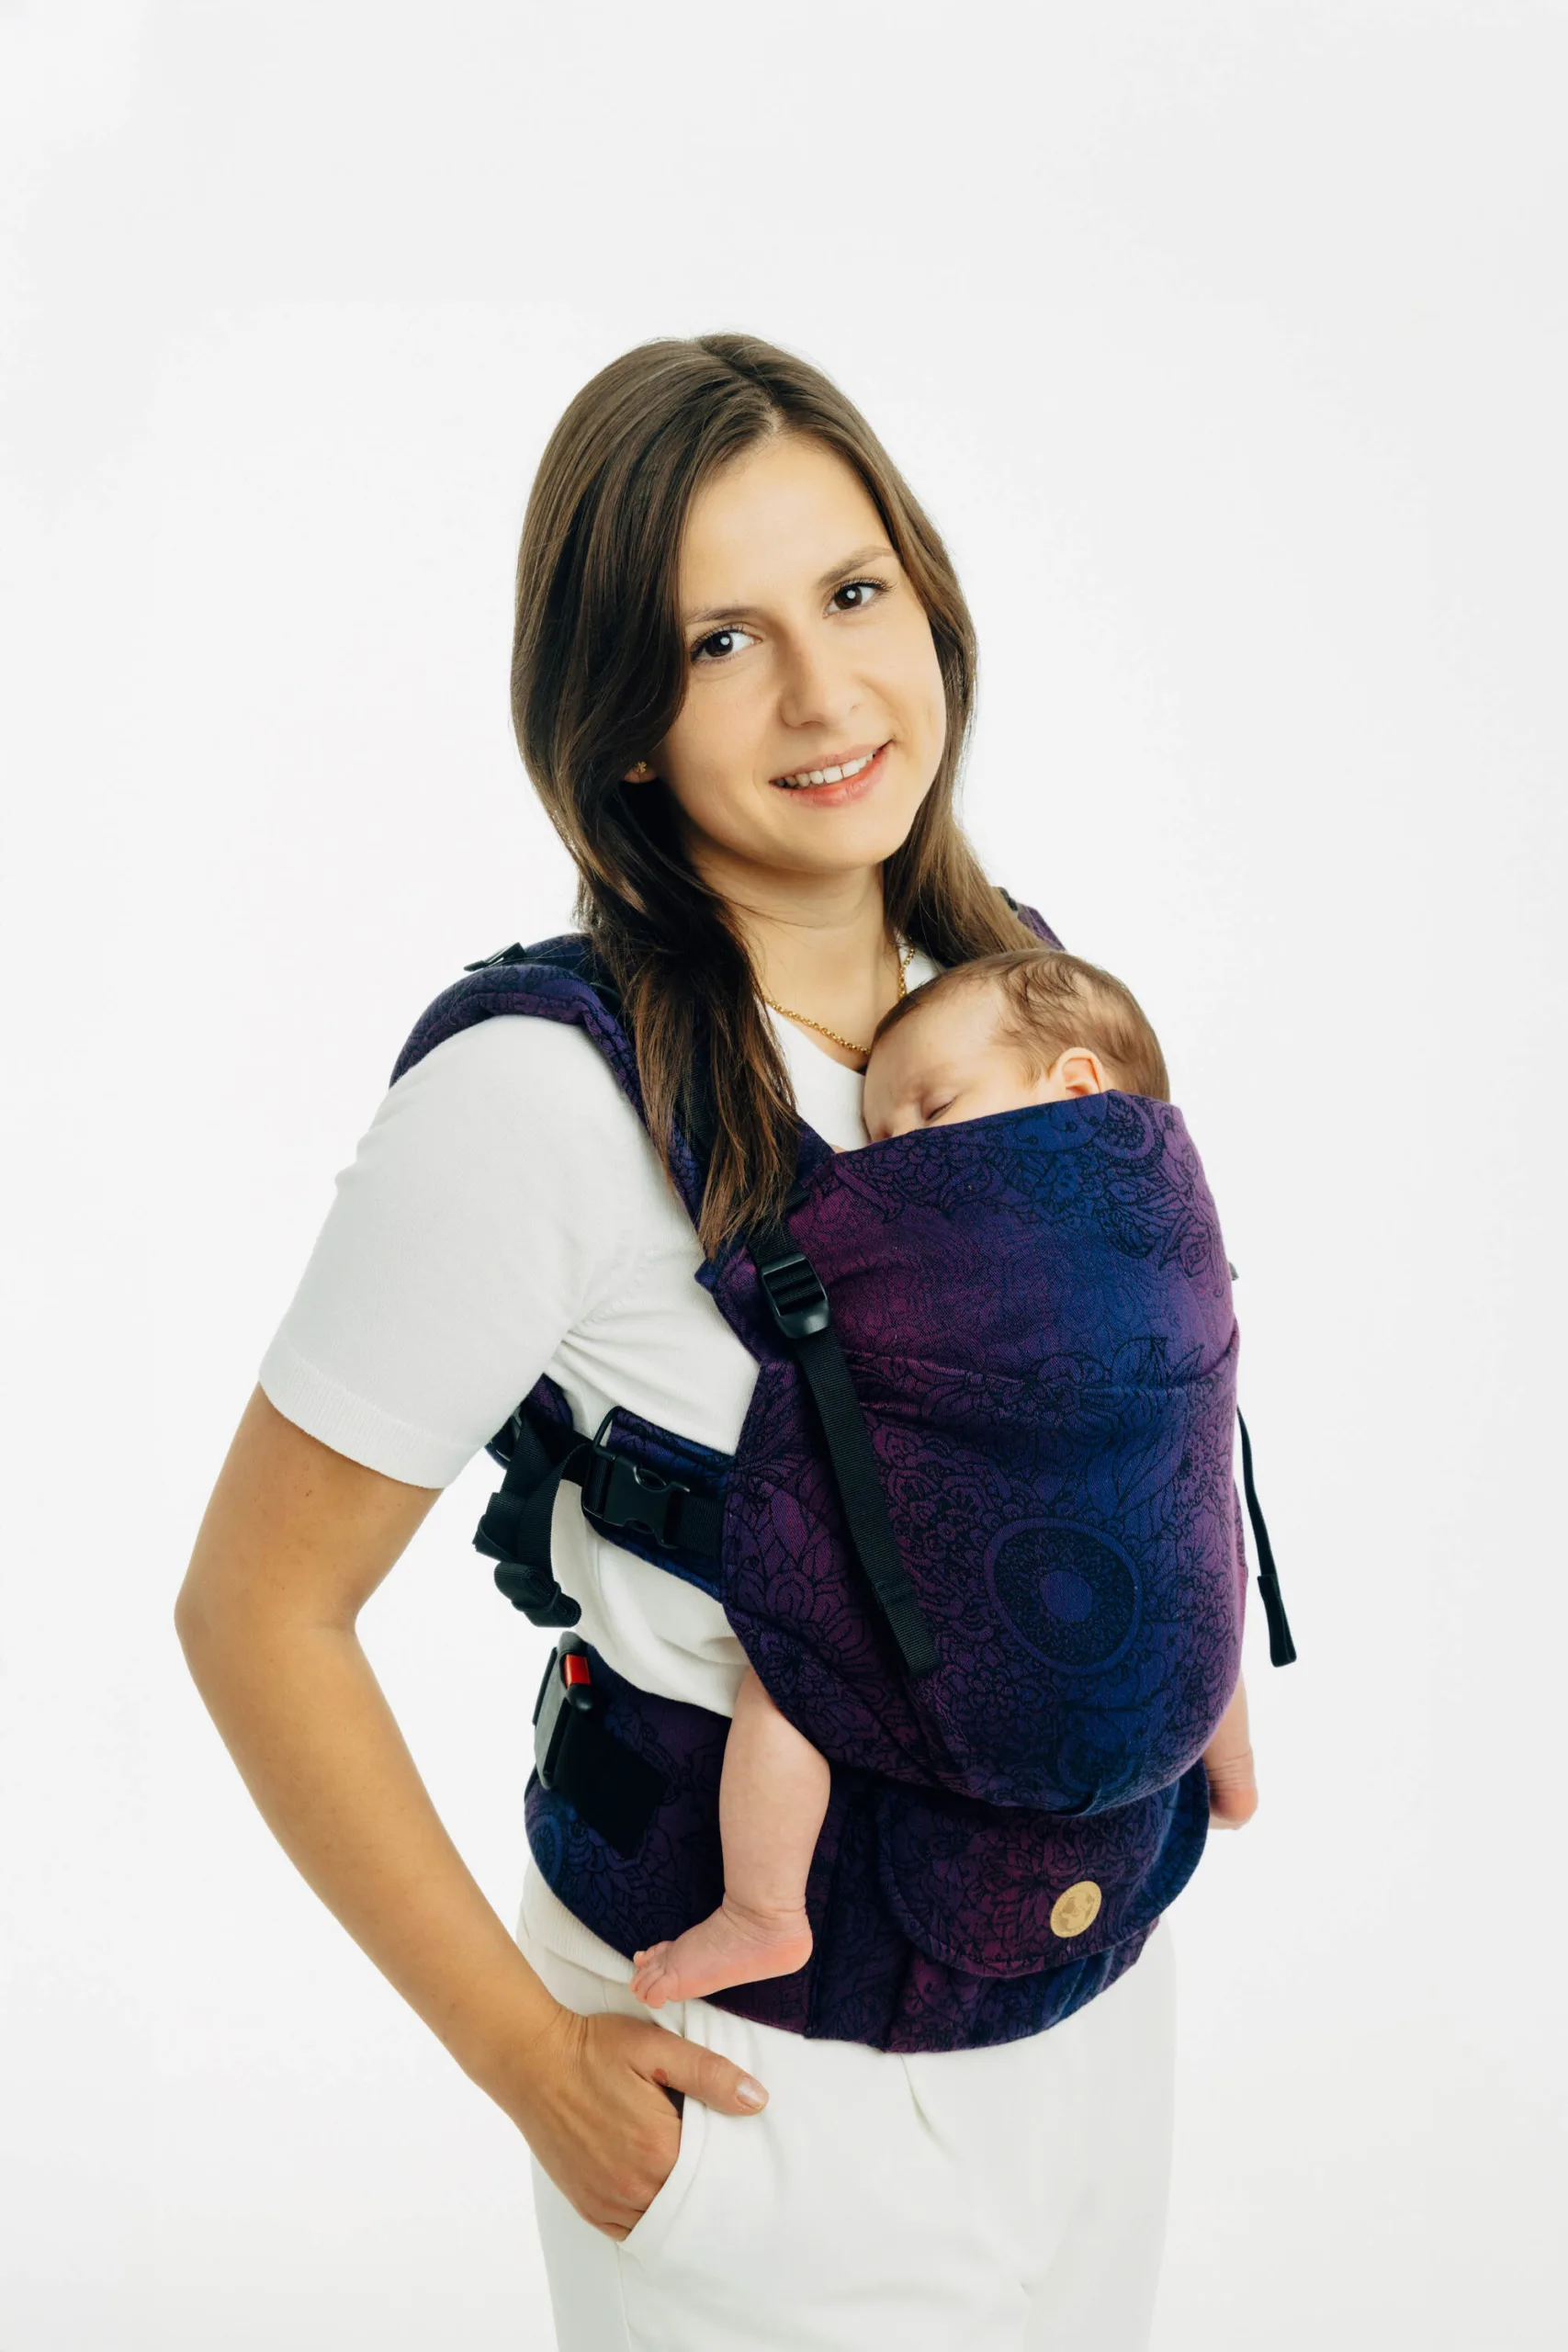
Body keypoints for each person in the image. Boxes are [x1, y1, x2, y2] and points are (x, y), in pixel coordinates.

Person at [176, 333, 1258, 2351]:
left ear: (930, 603)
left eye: (852, 592)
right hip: (758, 2097)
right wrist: (529, 2064)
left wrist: (1188, 1697)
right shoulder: (535, 1092)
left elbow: (1142, 1387)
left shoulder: (1012, 993)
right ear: (615, 724)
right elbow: (256, 1610)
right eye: (720, 642)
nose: (824, 693)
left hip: (1090, 2019)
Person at [629, 945, 1259, 2014]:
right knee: (1188, 1541)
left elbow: (801, 1274)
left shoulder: (1038, 1194)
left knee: (793, 1674)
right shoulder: (1171, 1209)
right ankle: (1227, 1766)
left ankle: (762, 1909)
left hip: (1030, 1638)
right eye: (878, 1138)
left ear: (1077, 1090)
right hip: (1176, 1661)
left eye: (933, 1110)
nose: (896, 1156)